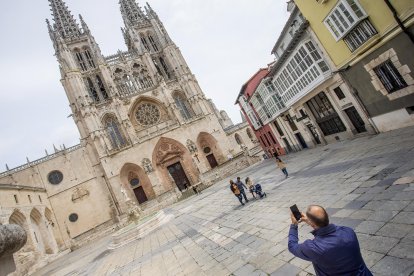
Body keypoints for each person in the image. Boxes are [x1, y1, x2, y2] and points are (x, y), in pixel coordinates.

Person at [288, 205, 372, 276]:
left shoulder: (314, 248)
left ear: (313, 223)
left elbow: (292, 246)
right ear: (327, 215)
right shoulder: (348, 231)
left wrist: (294, 225)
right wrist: (310, 221)